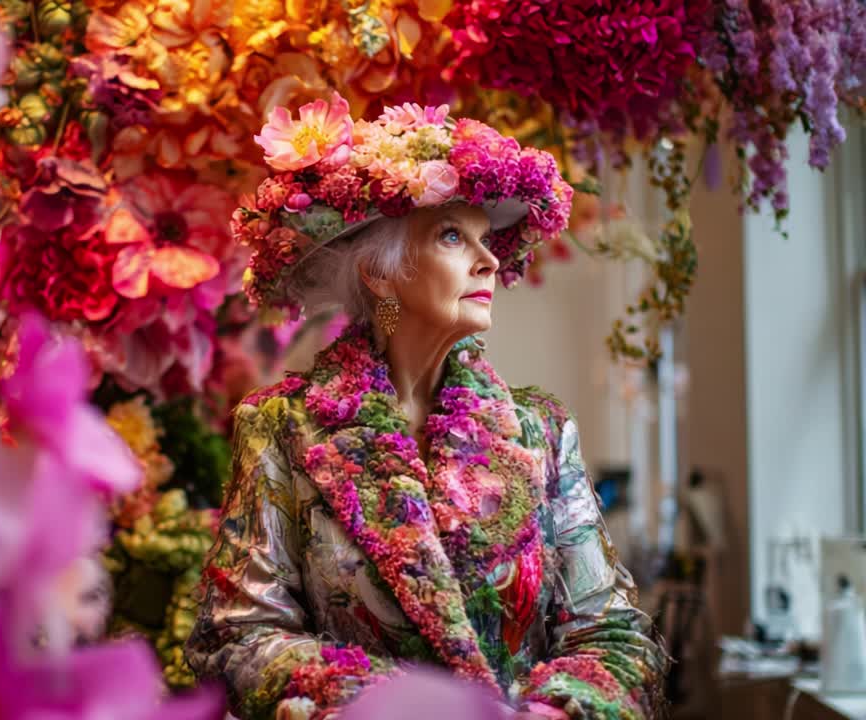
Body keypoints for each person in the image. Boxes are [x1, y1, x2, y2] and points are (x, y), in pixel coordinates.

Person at [185, 94, 667, 719]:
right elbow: (237, 636)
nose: (489, 258)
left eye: (486, 238)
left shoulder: (539, 432)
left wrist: (555, 712)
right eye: (451, 235)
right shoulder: (284, 427)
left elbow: (614, 634)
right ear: (380, 275)